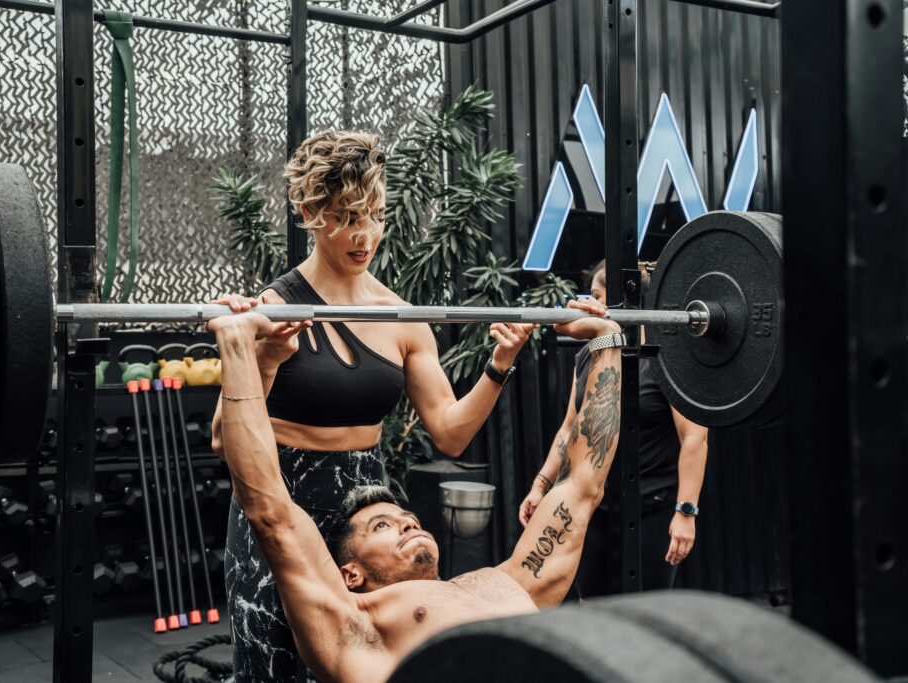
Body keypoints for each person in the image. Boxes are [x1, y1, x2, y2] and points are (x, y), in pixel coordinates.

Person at [211, 130, 535, 681]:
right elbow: (224, 439)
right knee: (275, 668)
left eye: (374, 216)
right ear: (311, 214)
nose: (364, 235)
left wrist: (498, 366)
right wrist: (265, 356)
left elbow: (451, 433)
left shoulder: (401, 316)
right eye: (345, 218)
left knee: (379, 662)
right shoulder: (272, 307)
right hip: (279, 504)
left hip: (367, 515)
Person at [208, 297, 622, 683]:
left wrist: (605, 339)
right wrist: (239, 345)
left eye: (408, 519)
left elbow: (582, 486)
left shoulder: (506, 583)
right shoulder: (355, 627)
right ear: (350, 574)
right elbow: (270, 511)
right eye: (382, 525)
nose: (408, 524)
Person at [518, 260, 708, 594]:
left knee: (646, 612)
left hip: (653, 507)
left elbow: (694, 438)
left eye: (596, 296)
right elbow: (569, 429)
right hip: (596, 506)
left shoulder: (666, 359)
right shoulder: (587, 357)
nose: (588, 303)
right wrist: (540, 485)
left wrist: (686, 512)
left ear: (622, 301)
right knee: (592, 604)